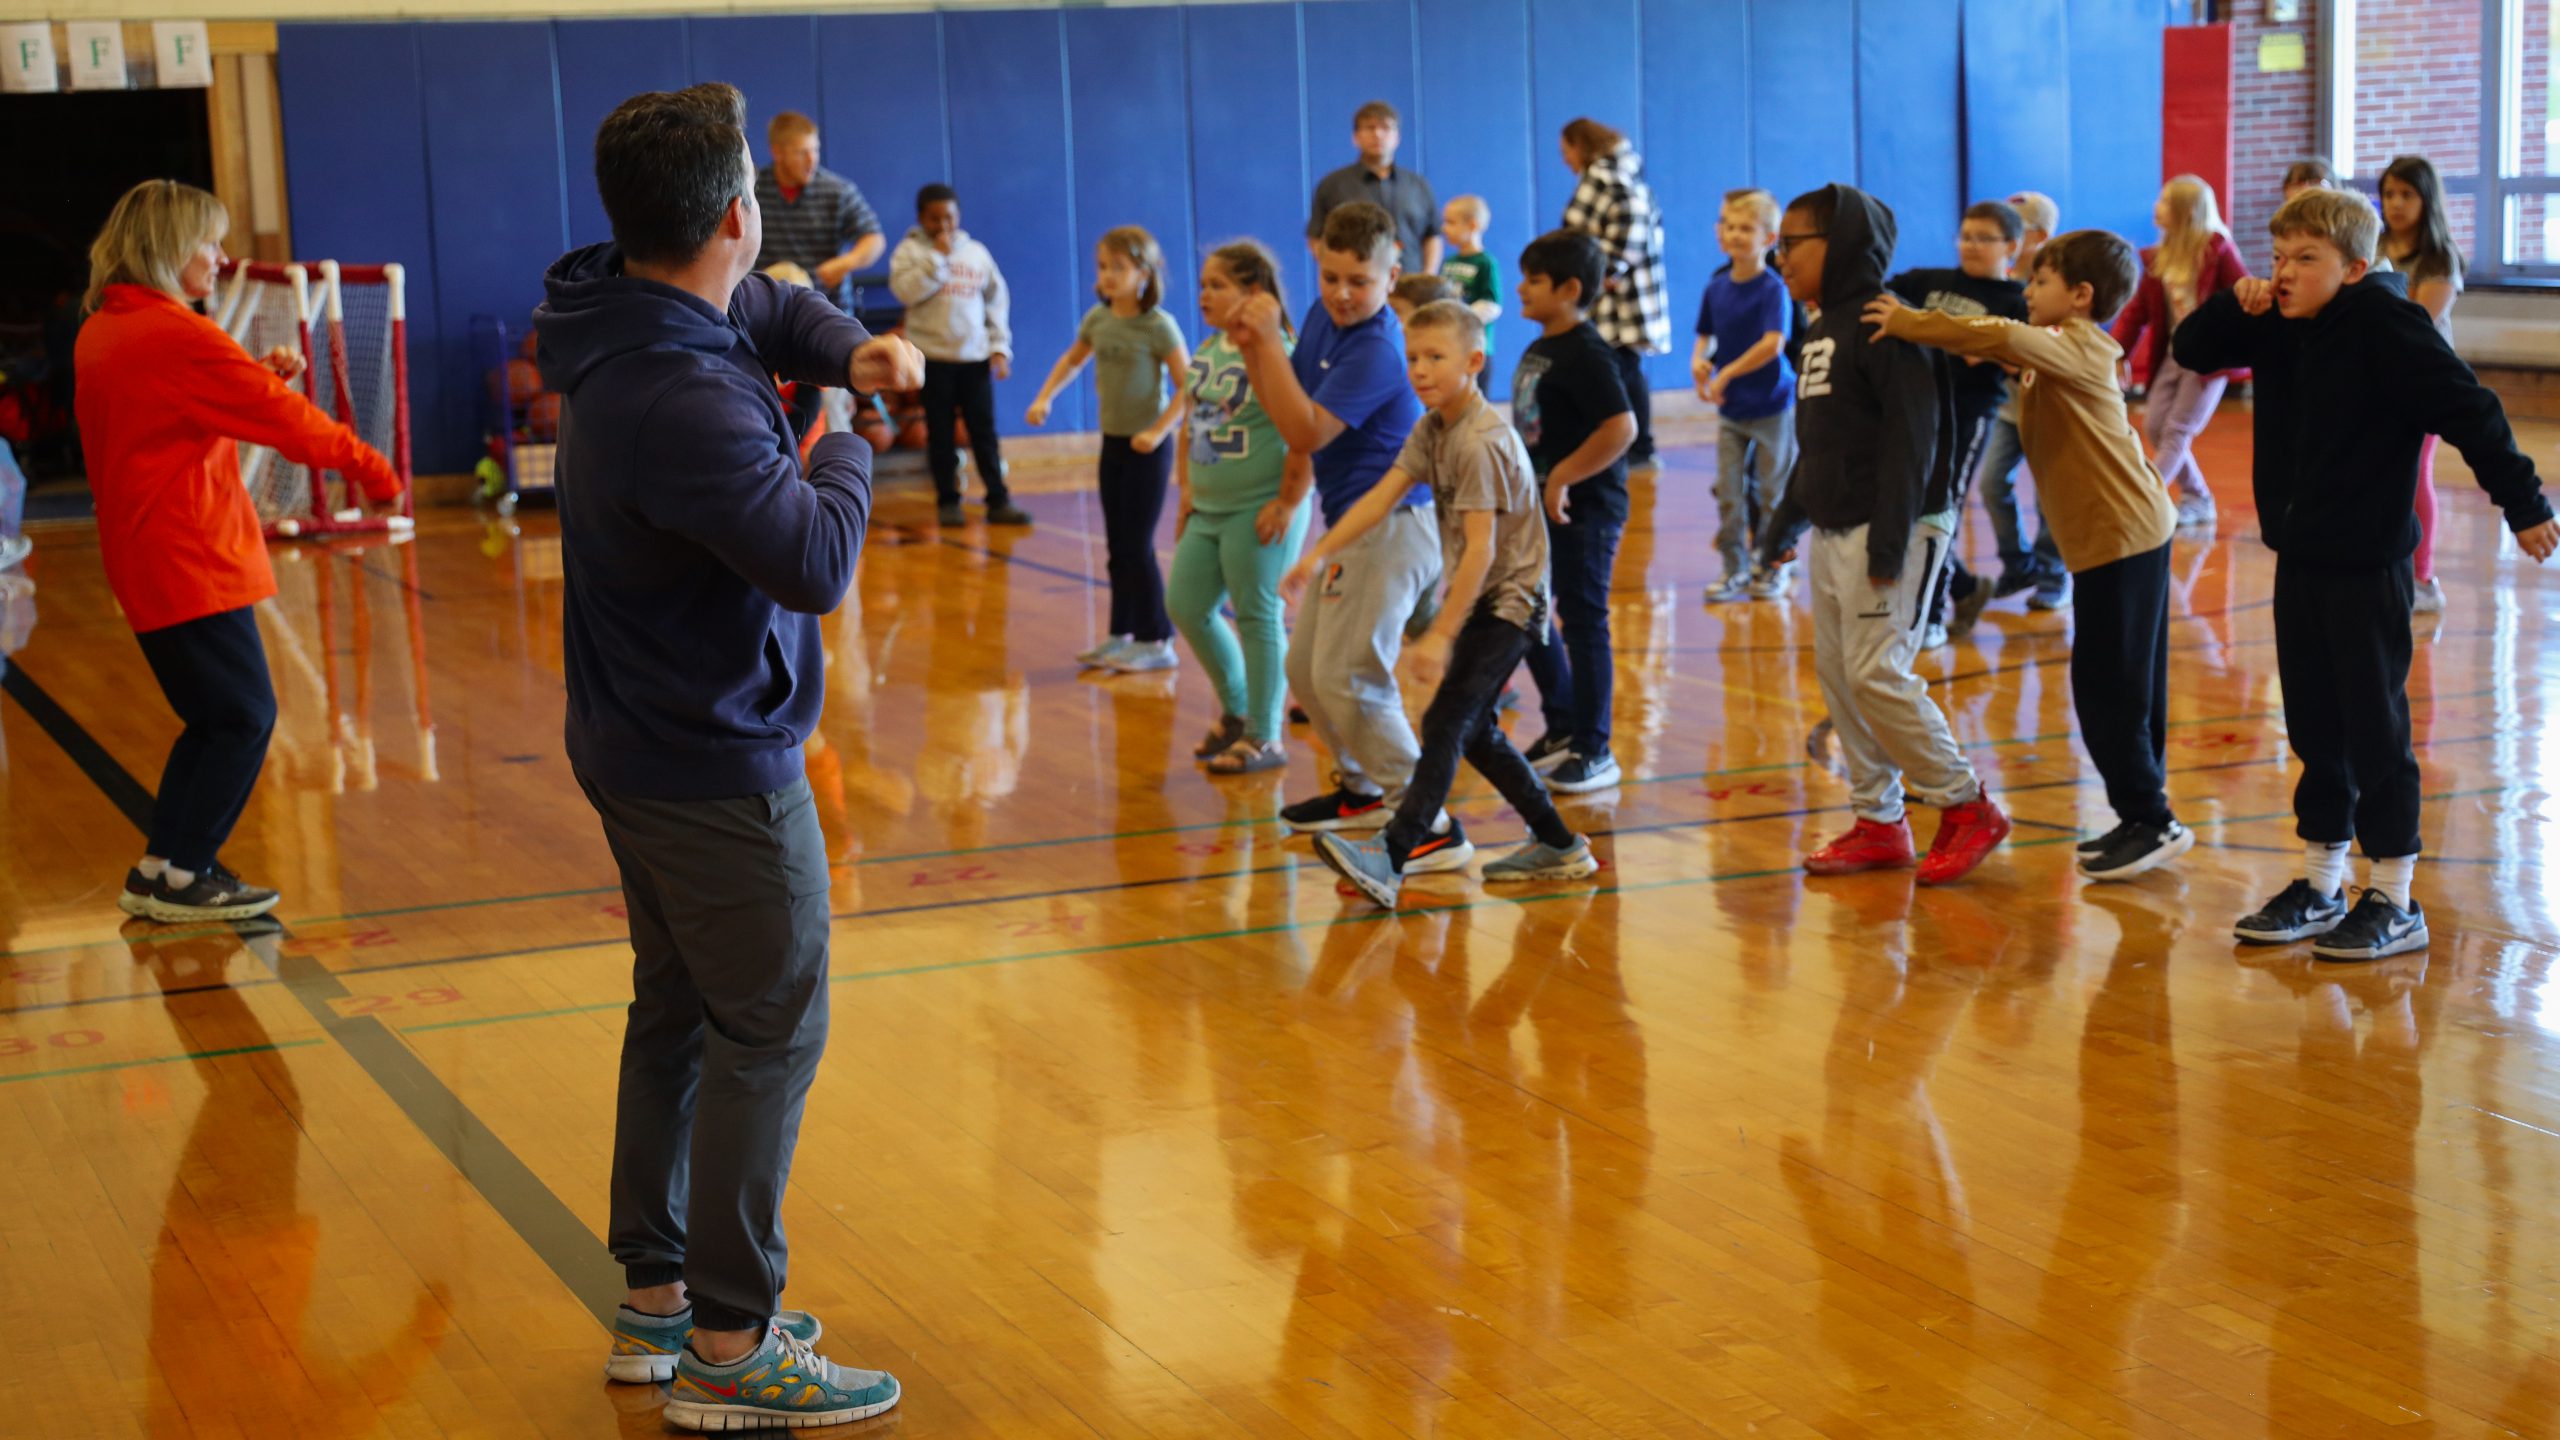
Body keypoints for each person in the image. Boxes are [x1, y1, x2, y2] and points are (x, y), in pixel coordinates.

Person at [531, 81, 921, 1430]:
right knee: (771, 1025)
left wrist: (849, 347)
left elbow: (766, 308)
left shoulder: (622, 299)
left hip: (631, 739)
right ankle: (733, 1345)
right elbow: (814, 561)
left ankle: (658, 1302)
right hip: (711, 763)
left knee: (682, 1011)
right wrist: (857, 435)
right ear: (739, 213)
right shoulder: (682, 395)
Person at [2173, 186, 2556, 960]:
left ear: (2354, 267)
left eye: (2304, 260)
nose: (2283, 273)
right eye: (2277, 258)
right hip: (2300, 559)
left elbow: (2470, 410)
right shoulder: (2278, 321)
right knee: (2315, 725)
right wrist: (2234, 302)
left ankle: (2394, 895)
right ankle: (2320, 882)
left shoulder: (2388, 324)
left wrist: (2523, 502)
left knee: (2375, 730)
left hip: (2369, 565)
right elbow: (2192, 350)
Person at [77, 179, 403, 924]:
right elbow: (292, 426)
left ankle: (161, 867)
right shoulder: (176, 334)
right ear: (165, 250)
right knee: (244, 718)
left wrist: (255, 379)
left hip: (149, 554)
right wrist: (376, 472)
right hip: (187, 559)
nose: (222, 259)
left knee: (213, 718)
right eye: (209, 244)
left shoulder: (108, 327)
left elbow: (171, 418)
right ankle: (189, 875)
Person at [1866, 230, 2189, 881]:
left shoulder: (2081, 346)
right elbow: (2014, 353)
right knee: (2117, 684)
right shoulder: (2060, 352)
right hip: (2116, 538)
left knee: (2112, 688)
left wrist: (1908, 321)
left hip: (2124, 536)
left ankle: (2152, 819)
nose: (2025, 291)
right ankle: (2140, 814)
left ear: (2080, 296)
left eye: (2039, 282)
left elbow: (2005, 337)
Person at [1294, 301, 1600, 906]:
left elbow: (1483, 550)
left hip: (1511, 600)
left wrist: (1437, 635)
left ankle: (1391, 853)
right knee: (1476, 731)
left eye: (1436, 357)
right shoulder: (1431, 429)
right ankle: (1560, 845)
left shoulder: (1480, 441)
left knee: (1445, 721)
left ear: (1474, 362)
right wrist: (1317, 552)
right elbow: (1381, 497)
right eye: (1412, 357)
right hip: (1482, 596)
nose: (1420, 370)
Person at [1758, 183, 2009, 886]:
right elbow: (1817, 442)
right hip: (1833, 528)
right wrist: (1785, 523)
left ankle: (1966, 806)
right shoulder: (1819, 327)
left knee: (1877, 672)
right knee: (1842, 679)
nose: (1779, 255)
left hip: (1894, 527)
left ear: (1838, 246)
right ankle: (1879, 821)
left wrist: (1891, 544)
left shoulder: (1886, 323)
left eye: (1791, 242)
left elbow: (1914, 442)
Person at [1230, 201, 1435, 833]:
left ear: (1392, 277)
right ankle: (1363, 789)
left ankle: (1422, 815)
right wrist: (1255, 351)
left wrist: (1264, 341)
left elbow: (1308, 431)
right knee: (1306, 670)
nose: (1343, 295)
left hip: (1397, 526)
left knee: (1351, 675)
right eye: (1330, 278)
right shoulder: (1324, 317)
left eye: (1360, 282)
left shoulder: (1379, 349)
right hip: (1354, 523)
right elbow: (1285, 402)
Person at [1169, 240, 1313, 775]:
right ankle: (1236, 712)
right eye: (1203, 284)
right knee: (1186, 604)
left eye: (1218, 285)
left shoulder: (1282, 350)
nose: (1204, 294)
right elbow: (1192, 421)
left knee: (1257, 614)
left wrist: (1288, 502)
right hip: (1208, 508)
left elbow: (1304, 434)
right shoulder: (1209, 348)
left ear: (1254, 292)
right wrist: (1185, 490)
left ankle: (1264, 735)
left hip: (1260, 508)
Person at [1025, 226, 1191, 672]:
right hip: (1113, 445)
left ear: (1145, 272)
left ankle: (1158, 640)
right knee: (1117, 546)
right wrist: (1045, 397)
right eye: (1103, 267)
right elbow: (1071, 361)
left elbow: (1188, 385)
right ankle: (1121, 635)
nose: (1109, 275)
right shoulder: (1098, 320)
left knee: (1137, 546)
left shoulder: (1159, 326)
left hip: (1147, 451)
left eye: (1120, 267)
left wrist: (1158, 431)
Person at [1511, 230, 1636, 794]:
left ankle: (1594, 746)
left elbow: (1621, 427)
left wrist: (1563, 476)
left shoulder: (1587, 352)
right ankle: (1562, 725)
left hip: (1586, 511)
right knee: (1532, 611)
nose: (1521, 288)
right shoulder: (1542, 345)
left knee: (1583, 621)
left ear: (1570, 289)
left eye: (1534, 281)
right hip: (1540, 509)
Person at [1886, 199, 2031, 642]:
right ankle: (1968, 587)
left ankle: (1931, 613)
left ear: (2011, 245)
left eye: (1983, 238)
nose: (1970, 245)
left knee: (1939, 510)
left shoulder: (2016, 301)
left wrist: (1984, 346)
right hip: (1916, 414)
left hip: (1968, 418)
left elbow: (2018, 358)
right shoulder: (1928, 281)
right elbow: (1882, 296)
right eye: (1965, 236)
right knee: (1911, 511)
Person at [889, 183, 1027, 528]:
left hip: (974, 358)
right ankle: (948, 501)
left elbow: (997, 299)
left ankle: (998, 498)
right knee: (941, 433)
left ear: (958, 216)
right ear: (922, 218)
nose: (943, 225)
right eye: (935, 218)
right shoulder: (909, 252)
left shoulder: (976, 253)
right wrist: (937, 258)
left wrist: (999, 347)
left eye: (949, 217)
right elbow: (904, 291)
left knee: (984, 431)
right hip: (932, 358)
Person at [2116, 176, 2246, 531]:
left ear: (2187, 211)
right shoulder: (2159, 258)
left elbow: (2243, 296)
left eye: (2164, 201)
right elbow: (2137, 311)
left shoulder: (2217, 251)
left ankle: (2146, 500)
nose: (2156, 208)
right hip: (2176, 354)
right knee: (2155, 425)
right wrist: (2116, 351)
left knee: (2177, 429)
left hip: (2209, 360)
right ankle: (2198, 496)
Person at [1694, 187, 1797, 605]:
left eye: (1747, 228)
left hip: (1772, 405)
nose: (1736, 235)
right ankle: (1734, 568)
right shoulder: (1717, 286)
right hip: (1731, 409)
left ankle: (1775, 564)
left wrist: (1728, 372)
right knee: (1730, 492)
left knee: (1773, 492)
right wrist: (1699, 362)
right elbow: (1705, 335)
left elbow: (1773, 343)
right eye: (1729, 226)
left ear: (1768, 238)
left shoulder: (1773, 288)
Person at [754, 111, 885, 438]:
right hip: (766, 322)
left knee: (831, 420)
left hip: (826, 319)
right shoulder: (752, 188)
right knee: (764, 416)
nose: (811, 160)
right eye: (802, 152)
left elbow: (874, 238)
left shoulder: (837, 190)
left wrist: (845, 263)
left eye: (816, 150)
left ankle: (837, 484)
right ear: (778, 152)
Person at [2378, 154, 2466, 617]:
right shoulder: (2373, 245)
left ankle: (2423, 578)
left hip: (2424, 378)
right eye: (2389, 193)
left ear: (2426, 198)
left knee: (2415, 475)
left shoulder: (2440, 257)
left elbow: (2420, 321)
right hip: (2377, 377)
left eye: (2406, 194)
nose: (2395, 203)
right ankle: (2389, 565)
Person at [1557, 118, 1671, 475]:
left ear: (1581, 146)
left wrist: (1605, 272)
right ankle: (1626, 443)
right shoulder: (1619, 177)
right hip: (1610, 290)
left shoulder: (1611, 180)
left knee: (1622, 366)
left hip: (1618, 295)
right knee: (1620, 365)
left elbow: (1628, 232)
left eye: (1567, 151)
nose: (1565, 160)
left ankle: (1638, 447)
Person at [1979, 190, 2068, 610]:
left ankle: (2053, 575)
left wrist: (2005, 356)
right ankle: (2019, 564)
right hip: (2010, 409)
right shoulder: (2003, 283)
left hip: (2050, 410)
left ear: (2041, 235)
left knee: (2049, 496)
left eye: (2015, 230)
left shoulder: (2061, 287)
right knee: (1992, 482)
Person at [1307, 100, 1441, 274]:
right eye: (1369, 127)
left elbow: (1432, 236)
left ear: (1397, 137)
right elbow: (1316, 237)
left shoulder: (1418, 185)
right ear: (1355, 137)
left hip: (1411, 285)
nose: (1377, 134)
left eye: (1386, 128)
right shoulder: (1333, 185)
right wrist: (1338, 273)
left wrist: (1427, 276)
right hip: (1358, 285)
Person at [1439, 194, 1504, 358]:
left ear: (1473, 225)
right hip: (1450, 344)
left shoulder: (1485, 262)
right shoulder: (1449, 262)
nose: (1444, 228)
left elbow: (1491, 305)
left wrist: (1462, 320)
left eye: (1451, 222)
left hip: (1475, 346)